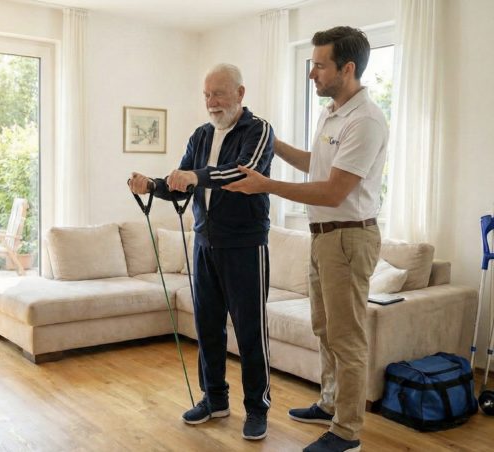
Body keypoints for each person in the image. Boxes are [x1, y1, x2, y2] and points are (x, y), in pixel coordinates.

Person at [224, 26, 388, 452]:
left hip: (349, 240)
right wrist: (270, 140)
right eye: (311, 64)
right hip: (323, 237)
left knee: (347, 337)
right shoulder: (332, 113)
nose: (312, 73)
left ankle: (347, 432)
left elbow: (334, 191)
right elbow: (318, 166)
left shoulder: (366, 120)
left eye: (319, 65)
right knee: (324, 329)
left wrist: (267, 186)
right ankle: (331, 402)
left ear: (347, 68)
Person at [128, 63, 274, 441]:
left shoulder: (258, 130)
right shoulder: (201, 135)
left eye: (219, 94)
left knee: (250, 332)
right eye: (207, 95)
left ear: (240, 94)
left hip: (245, 246)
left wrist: (197, 175)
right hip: (205, 243)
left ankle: (257, 409)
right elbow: (182, 184)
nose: (211, 102)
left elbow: (243, 174)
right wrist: (154, 184)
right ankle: (215, 399)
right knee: (207, 327)